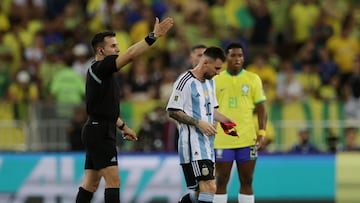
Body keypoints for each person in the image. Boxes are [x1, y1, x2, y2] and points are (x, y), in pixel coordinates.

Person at [75, 17, 173, 203]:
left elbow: (104, 109)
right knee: (114, 181)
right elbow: (130, 55)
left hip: (98, 128)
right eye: (113, 46)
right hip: (99, 132)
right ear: (100, 50)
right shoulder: (101, 68)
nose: (118, 49)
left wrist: (123, 126)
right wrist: (153, 36)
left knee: (91, 184)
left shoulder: (103, 73)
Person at [166, 46, 235, 203]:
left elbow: (212, 110)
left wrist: (226, 120)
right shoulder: (185, 81)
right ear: (205, 63)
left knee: (198, 193)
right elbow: (173, 111)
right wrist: (198, 123)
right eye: (216, 68)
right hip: (193, 145)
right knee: (210, 187)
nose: (218, 73)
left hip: (208, 145)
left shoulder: (211, 83)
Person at [213, 42, 267, 203]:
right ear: (226, 58)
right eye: (233, 55)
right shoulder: (216, 79)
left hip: (247, 139)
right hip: (222, 139)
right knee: (221, 180)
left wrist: (262, 133)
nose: (237, 59)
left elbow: (262, 108)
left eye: (240, 55)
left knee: (247, 180)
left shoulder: (253, 79)